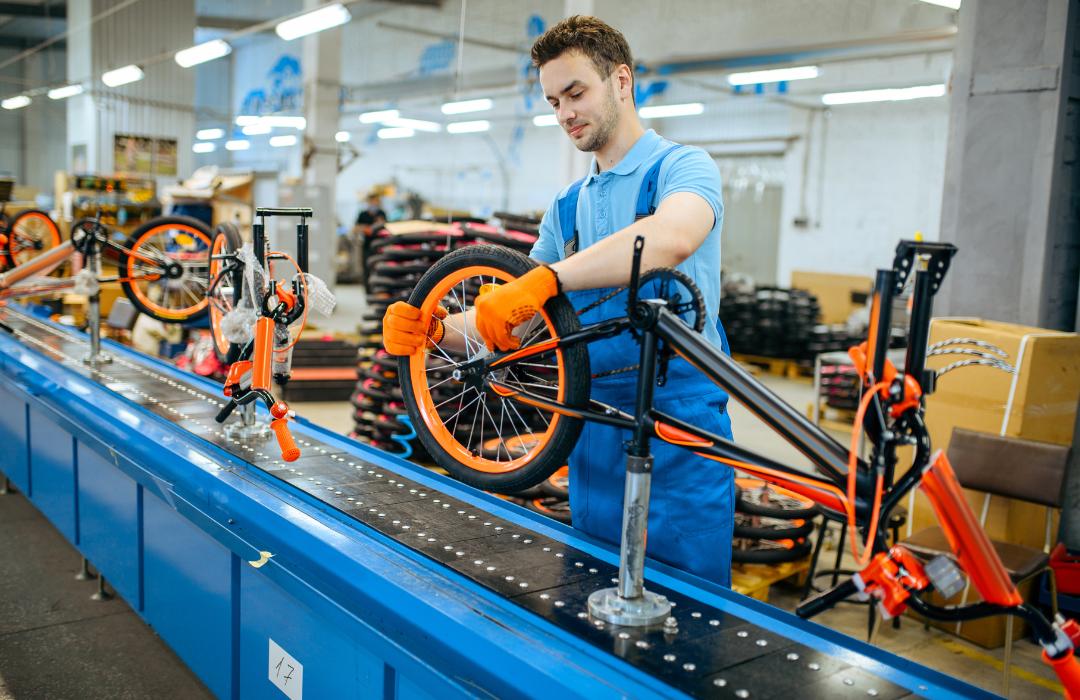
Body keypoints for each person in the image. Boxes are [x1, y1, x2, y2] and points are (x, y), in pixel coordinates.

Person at [382, 15, 734, 586]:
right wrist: (437, 332)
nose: (565, 113)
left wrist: (549, 281)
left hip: (679, 415)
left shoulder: (683, 167)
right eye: (553, 102)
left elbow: (671, 238)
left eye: (576, 92)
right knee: (591, 582)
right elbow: (513, 318)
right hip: (589, 415)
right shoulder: (566, 208)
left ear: (621, 81)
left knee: (686, 595)